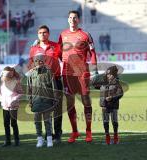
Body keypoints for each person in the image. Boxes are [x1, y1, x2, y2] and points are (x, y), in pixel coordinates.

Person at [58, 10, 98, 143]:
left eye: (75, 17)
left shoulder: (85, 35)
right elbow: (58, 52)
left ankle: (88, 131)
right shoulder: (63, 35)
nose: (72, 20)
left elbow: (92, 53)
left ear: (78, 20)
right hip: (67, 74)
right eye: (70, 17)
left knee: (86, 101)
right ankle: (74, 131)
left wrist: (95, 69)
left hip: (82, 73)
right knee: (70, 103)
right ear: (68, 19)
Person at [29, 25, 63, 143]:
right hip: (41, 82)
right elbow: (31, 65)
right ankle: (47, 135)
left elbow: (65, 59)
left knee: (57, 108)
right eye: (40, 33)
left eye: (44, 32)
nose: (42, 34)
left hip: (56, 80)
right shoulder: (33, 48)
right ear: (37, 34)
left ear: (48, 34)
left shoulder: (56, 46)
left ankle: (57, 135)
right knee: (42, 109)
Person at [27, 53, 56, 148]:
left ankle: (49, 139)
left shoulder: (49, 71)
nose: (39, 62)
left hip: (47, 100)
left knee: (47, 121)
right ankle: (39, 139)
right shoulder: (31, 73)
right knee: (37, 121)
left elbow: (54, 87)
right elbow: (29, 88)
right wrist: (30, 101)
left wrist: (55, 99)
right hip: (36, 101)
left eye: (40, 60)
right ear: (34, 62)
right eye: (36, 61)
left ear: (44, 61)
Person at [92, 65, 123, 144]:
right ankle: (107, 136)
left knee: (114, 122)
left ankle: (115, 135)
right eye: (108, 74)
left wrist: (111, 98)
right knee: (105, 122)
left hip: (113, 105)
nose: (108, 75)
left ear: (114, 75)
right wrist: (95, 76)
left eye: (110, 74)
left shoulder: (117, 83)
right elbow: (94, 85)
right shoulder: (103, 82)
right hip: (104, 105)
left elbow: (120, 93)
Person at [0, 66, 23, 147]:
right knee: (6, 123)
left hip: (13, 106)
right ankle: (8, 141)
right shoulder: (2, 81)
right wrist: (1, 99)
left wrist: (14, 99)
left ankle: (17, 141)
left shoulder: (16, 82)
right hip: (5, 105)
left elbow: (20, 92)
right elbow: (0, 92)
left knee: (13, 123)